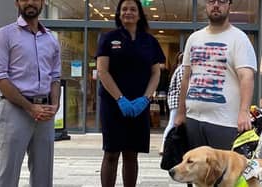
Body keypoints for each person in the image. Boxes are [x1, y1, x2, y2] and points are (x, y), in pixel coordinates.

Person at [0, 0, 61, 186]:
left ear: (43, 2)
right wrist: (30, 107)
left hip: (44, 114)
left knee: (43, 178)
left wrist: (55, 105)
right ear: (17, 2)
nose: (31, 2)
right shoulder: (5, 35)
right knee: (7, 176)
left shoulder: (51, 39)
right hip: (14, 111)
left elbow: (55, 76)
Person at [95, 0, 165, 186]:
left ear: (140, 14)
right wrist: (120, 99)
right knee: (111, 153)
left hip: (139, 105)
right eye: (124, 9)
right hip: (113, 105)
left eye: (133, 9)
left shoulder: (150, 41)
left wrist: (145, 99)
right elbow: (103, 71)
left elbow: (156, 72)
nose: (128, 12)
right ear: (118, 14)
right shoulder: (108, 38)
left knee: (131, 154)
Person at [174, 0, 257, 152]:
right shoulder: (194, 38)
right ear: (206, 5)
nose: (216, 5)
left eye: (222, 1)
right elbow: (186, 77)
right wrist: (180, 113)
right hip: (193, 119)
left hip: (225, 123)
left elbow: (247, 77)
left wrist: (244, 112)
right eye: (212, 1)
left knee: (224, 175)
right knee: (197, 174)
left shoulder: (239, 38)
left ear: (229, 6)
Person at [159, 52, 184, 154]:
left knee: (172, 124)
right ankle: (164, 146)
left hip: (175, 101)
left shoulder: (177, 69)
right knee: (172, 124)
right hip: (178, 101)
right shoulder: (182, 69)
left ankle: (166, 146)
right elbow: (182, 88)